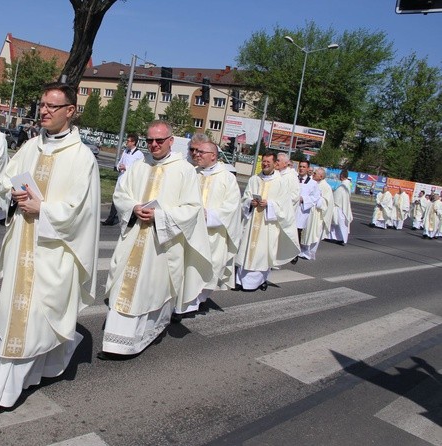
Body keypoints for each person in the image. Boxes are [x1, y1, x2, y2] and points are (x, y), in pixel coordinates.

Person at [0, 83, 100, 414]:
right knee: (16, 316)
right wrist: (13, 196)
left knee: (37, 318)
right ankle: (5, 387)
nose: (44, 111)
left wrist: (43, 210)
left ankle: (11, 386)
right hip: (22, 243)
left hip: (52, 251)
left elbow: (81, 211)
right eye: (42, 105)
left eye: (52, 106)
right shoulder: (31, 147)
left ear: (70, 111)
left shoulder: (82, 158)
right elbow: (7, 181)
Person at [99, 120, 212, 358]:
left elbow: (192, 208)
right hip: (133, 239)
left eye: (159, 140)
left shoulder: (184, 170)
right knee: (124, 287)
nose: (154, 145)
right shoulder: (139, 166)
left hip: (161, 244)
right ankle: (116, 343)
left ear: (171, 140)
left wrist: (160, 216)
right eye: (149, 140)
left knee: (151, 290)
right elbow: (121, 194)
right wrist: (133, 207)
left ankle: (146, 333)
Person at [184, 133, 241, 313]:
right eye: (195, 151)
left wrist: (210, 216)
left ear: (213, 155)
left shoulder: (227, 178)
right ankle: (184, 302)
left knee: (207, 267)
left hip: (212, 234)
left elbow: (232, 207)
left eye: (201, 152)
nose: (196, 154)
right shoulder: (192, 173)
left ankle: (195, 301)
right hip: (190, 231)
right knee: (187, 267)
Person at [235, 151, 299, 291]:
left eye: (268, 162)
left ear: (275, 164)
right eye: (263, 161)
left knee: (263, 253)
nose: (264, 164)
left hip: (268, 225)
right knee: (246, 249)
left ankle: (259, 281)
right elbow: (244, 198)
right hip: (252, 222)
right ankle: (241, 280)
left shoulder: (281, 183)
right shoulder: (254, 179)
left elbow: (285, 207)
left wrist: (269, 204)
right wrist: (249, 203)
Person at [102, 133, 144, 226]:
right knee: (116, 197)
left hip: (130, 181)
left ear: (133, 142)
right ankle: (110, 219)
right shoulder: (125, 151)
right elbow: (120, 162)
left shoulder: (139, 154)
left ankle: (129, 219)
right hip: (121, 178)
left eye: (128, 141)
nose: (126, 143)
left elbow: (139, 169)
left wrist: (127, 168)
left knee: (127, 200)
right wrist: (118, 167)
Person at [300, 168, 334, 260]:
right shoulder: (311, 182)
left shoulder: (326, 187)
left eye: (315, 173)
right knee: (304, 231)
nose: (313, 174)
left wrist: (316, 198)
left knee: (314, 233)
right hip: (308, 210)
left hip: (317, 214)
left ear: (321, 176)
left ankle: (309, 253)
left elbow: (325, 202)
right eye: (314, 173)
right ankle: (302, 250)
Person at [325, 169, 353, 245]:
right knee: (335, 223)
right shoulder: (347, 184)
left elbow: (338, 196)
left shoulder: (344, 185)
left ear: (342, 176)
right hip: (342, 206)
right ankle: (335, 237)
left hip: (340, 207)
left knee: (341, 223)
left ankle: (342, 238)